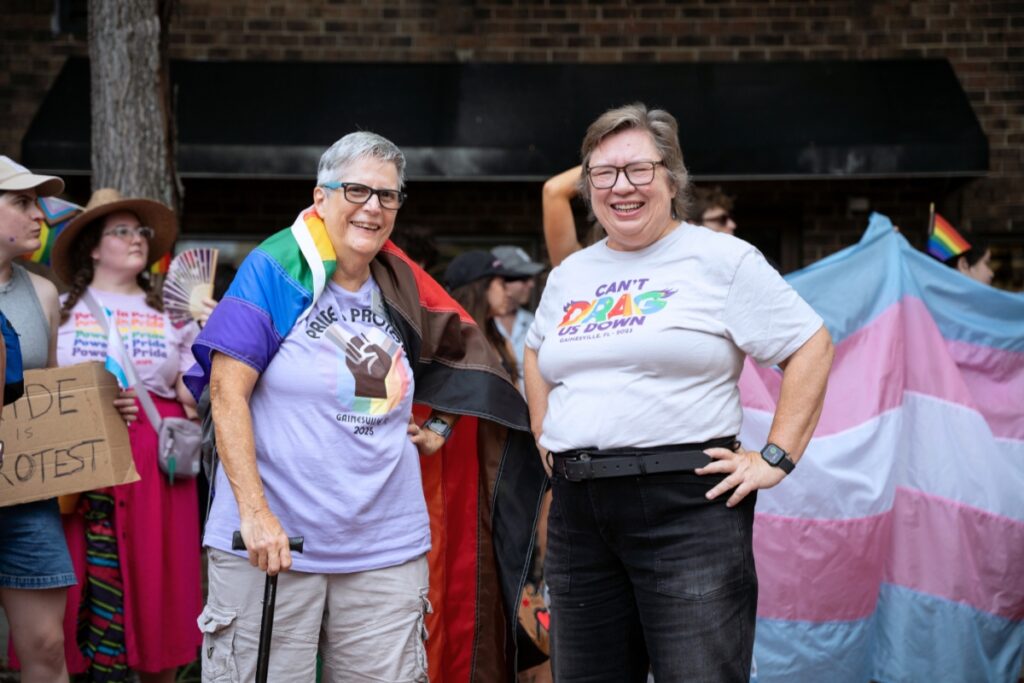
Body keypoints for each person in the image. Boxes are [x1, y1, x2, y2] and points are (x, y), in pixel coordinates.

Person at [185, 131, 546, 682]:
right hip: (275, 546)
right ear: (320, 196)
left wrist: (442, 425)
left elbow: (468, 357)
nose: (373, 207)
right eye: (356, 190)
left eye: (388, 195)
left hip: (386, 549)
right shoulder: (277, 269)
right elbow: (225, 391)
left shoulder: (398, 282)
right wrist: (255, 515)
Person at [523, 103, 834, 682]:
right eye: (604, 173)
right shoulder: (572, 274)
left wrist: (776, 455)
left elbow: (810, 344)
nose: (622, 187)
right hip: (578, 510)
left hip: (686, 508)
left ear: (672, 177)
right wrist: (545, 432)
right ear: (588, 187)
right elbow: (538, 349)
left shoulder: (722, 258)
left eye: (639, 170)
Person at [50, 188, 202, 683]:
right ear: (93, 247)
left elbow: (191, 391)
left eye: (141, 231)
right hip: (76, 459)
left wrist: (211, 334)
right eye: (122, 230)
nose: (137, 239)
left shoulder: (173, 313)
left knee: (156, 580)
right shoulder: (59, 309)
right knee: (78, 581)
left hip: (151, 461)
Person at [0, 156, 75, 683]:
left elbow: (47, 394)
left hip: (26, 496)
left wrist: (95, 411)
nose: (39, 217)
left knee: (48, 646)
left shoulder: (43, 292)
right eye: (22, 202)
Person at [445, 249, 520, 384]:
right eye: (502, 284)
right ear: (481, 287)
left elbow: (516, 394)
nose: (508, 293)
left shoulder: (501, 342)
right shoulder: (449, 341)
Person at [491, 245, 544, 389]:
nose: (531, 284)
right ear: (502, 282)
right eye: (524, 278)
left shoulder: (537, 322)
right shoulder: (478, 325)